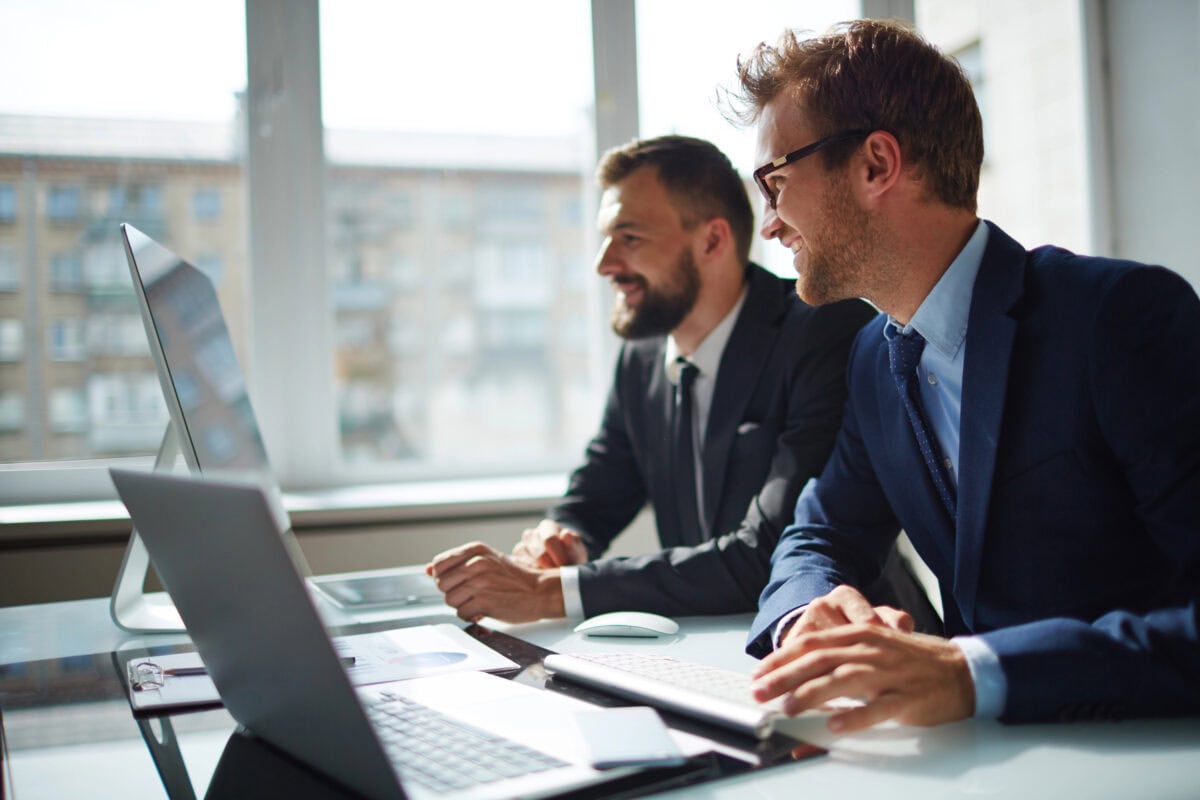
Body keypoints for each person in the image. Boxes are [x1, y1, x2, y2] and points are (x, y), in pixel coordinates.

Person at [727, 18, 1200, 730]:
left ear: (876, 164)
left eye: (776, 182)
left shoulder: (1117, 318)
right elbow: (818, 536)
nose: (768, 224)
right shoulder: (874, 359)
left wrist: (977, 671)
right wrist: (809, 613)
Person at [426, 134, 896, 624]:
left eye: (630, 239)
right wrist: (561, 537)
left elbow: (771, 554)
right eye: (606, 239)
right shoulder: (643, 356)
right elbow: (603, 482)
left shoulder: (824, 332)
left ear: (713, 240)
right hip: (698, 642)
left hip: (847, 645)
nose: (604, 264)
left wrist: (551, 592)